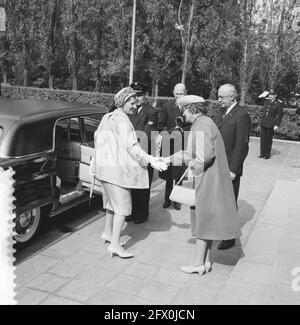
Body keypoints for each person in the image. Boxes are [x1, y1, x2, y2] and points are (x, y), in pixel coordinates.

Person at [161, 96, 241, 275]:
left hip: (208, 180)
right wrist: (167, 159)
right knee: (206, 221)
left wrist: (192, 166)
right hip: (211, 179)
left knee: (202, 222)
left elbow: (204, 156)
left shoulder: (202, 125)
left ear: (191, 109)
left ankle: (198, 264)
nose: (182, 113)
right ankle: (204, 262)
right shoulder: (204, 122)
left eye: (184, 109)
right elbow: (190, 153)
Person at [94, 87, 167, 259]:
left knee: (111, 204)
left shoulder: (107, 116)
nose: (135, 106)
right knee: (123, 209)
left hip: (104, 170)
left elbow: (97, 138)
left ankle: (107, 233)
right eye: (132, 103)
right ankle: (115, 245)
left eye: (136, 103)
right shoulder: (123, 121)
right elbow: (133, 147)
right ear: (123, 102)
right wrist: (151, 160)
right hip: (117, 173)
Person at [216, 83, 251, 250]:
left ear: (232, 97)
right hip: (217, 164)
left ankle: (229, 237)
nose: (219, 100)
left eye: (222, 97)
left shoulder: (241, 115)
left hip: (229, 168)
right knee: (220, 201)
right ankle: (220, 230)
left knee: (229, 203)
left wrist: (233, 170)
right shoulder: (222, 112)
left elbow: (241, 145)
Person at [126, 81, 158, 224]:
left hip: (144, 153)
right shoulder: (130, 110)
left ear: (146, 95)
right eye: (134, 95)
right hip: (131, 154)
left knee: (143, 186)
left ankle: (142, 214)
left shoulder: (152, 112)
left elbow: (146, 134)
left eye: (139, 95)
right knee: (132, 184)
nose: (136, 98)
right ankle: (132, 211)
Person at [157, 83, 189, 210]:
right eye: (176, 93)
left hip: (182, 145)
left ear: (185, 92)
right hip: (168, 145)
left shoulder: (190, 107)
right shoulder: (166, 106)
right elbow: (159, 125)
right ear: (173, 93)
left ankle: (177, 201)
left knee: (179, 176)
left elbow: (192, 125)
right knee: (168, 176)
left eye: (181, 93)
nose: (178, 96)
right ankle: (167, 199)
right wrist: (171, 130)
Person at [259, 89, 283, 159]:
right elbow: (257, 101)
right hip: (264, 122)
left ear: (275, 96)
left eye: (272, 95)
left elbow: (279, 115)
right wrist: (262, 95)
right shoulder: (266, 101)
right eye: (269, 95)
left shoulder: (278, 103)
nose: (270, 96)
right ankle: (262, 153)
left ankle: (267, 154)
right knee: (263, 139)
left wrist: (277, 125)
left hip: (271, 123)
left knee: (268, 139)